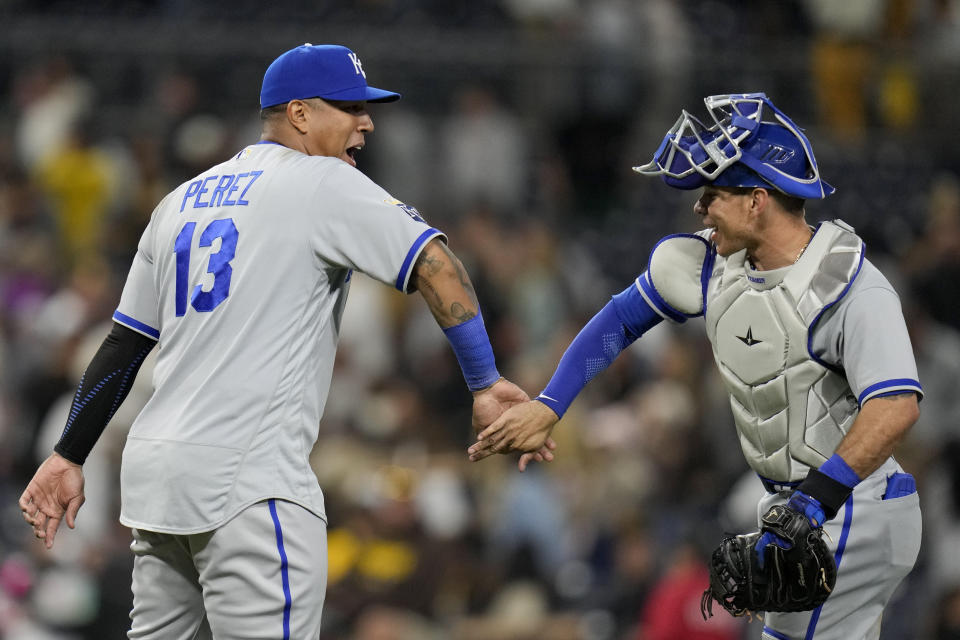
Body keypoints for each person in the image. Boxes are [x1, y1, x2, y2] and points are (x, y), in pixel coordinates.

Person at [19, 43, 551, 639]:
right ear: (299, 114)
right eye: (350, 107)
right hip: (249, 484)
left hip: (158, 482)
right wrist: (483, 382)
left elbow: (124, 344)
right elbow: (437, 264)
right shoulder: (322, 181)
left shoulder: (179, 201)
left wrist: (69, 454)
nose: (367, 121)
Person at [468, 93, 922, 640]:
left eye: (712, 194)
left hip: (853, 504)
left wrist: (811, 505)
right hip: (799, 506)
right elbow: (620, 320)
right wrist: (550, 404)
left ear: (758, 200)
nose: (699, 208)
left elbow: (895, 407)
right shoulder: (711, 266)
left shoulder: (850, 285)